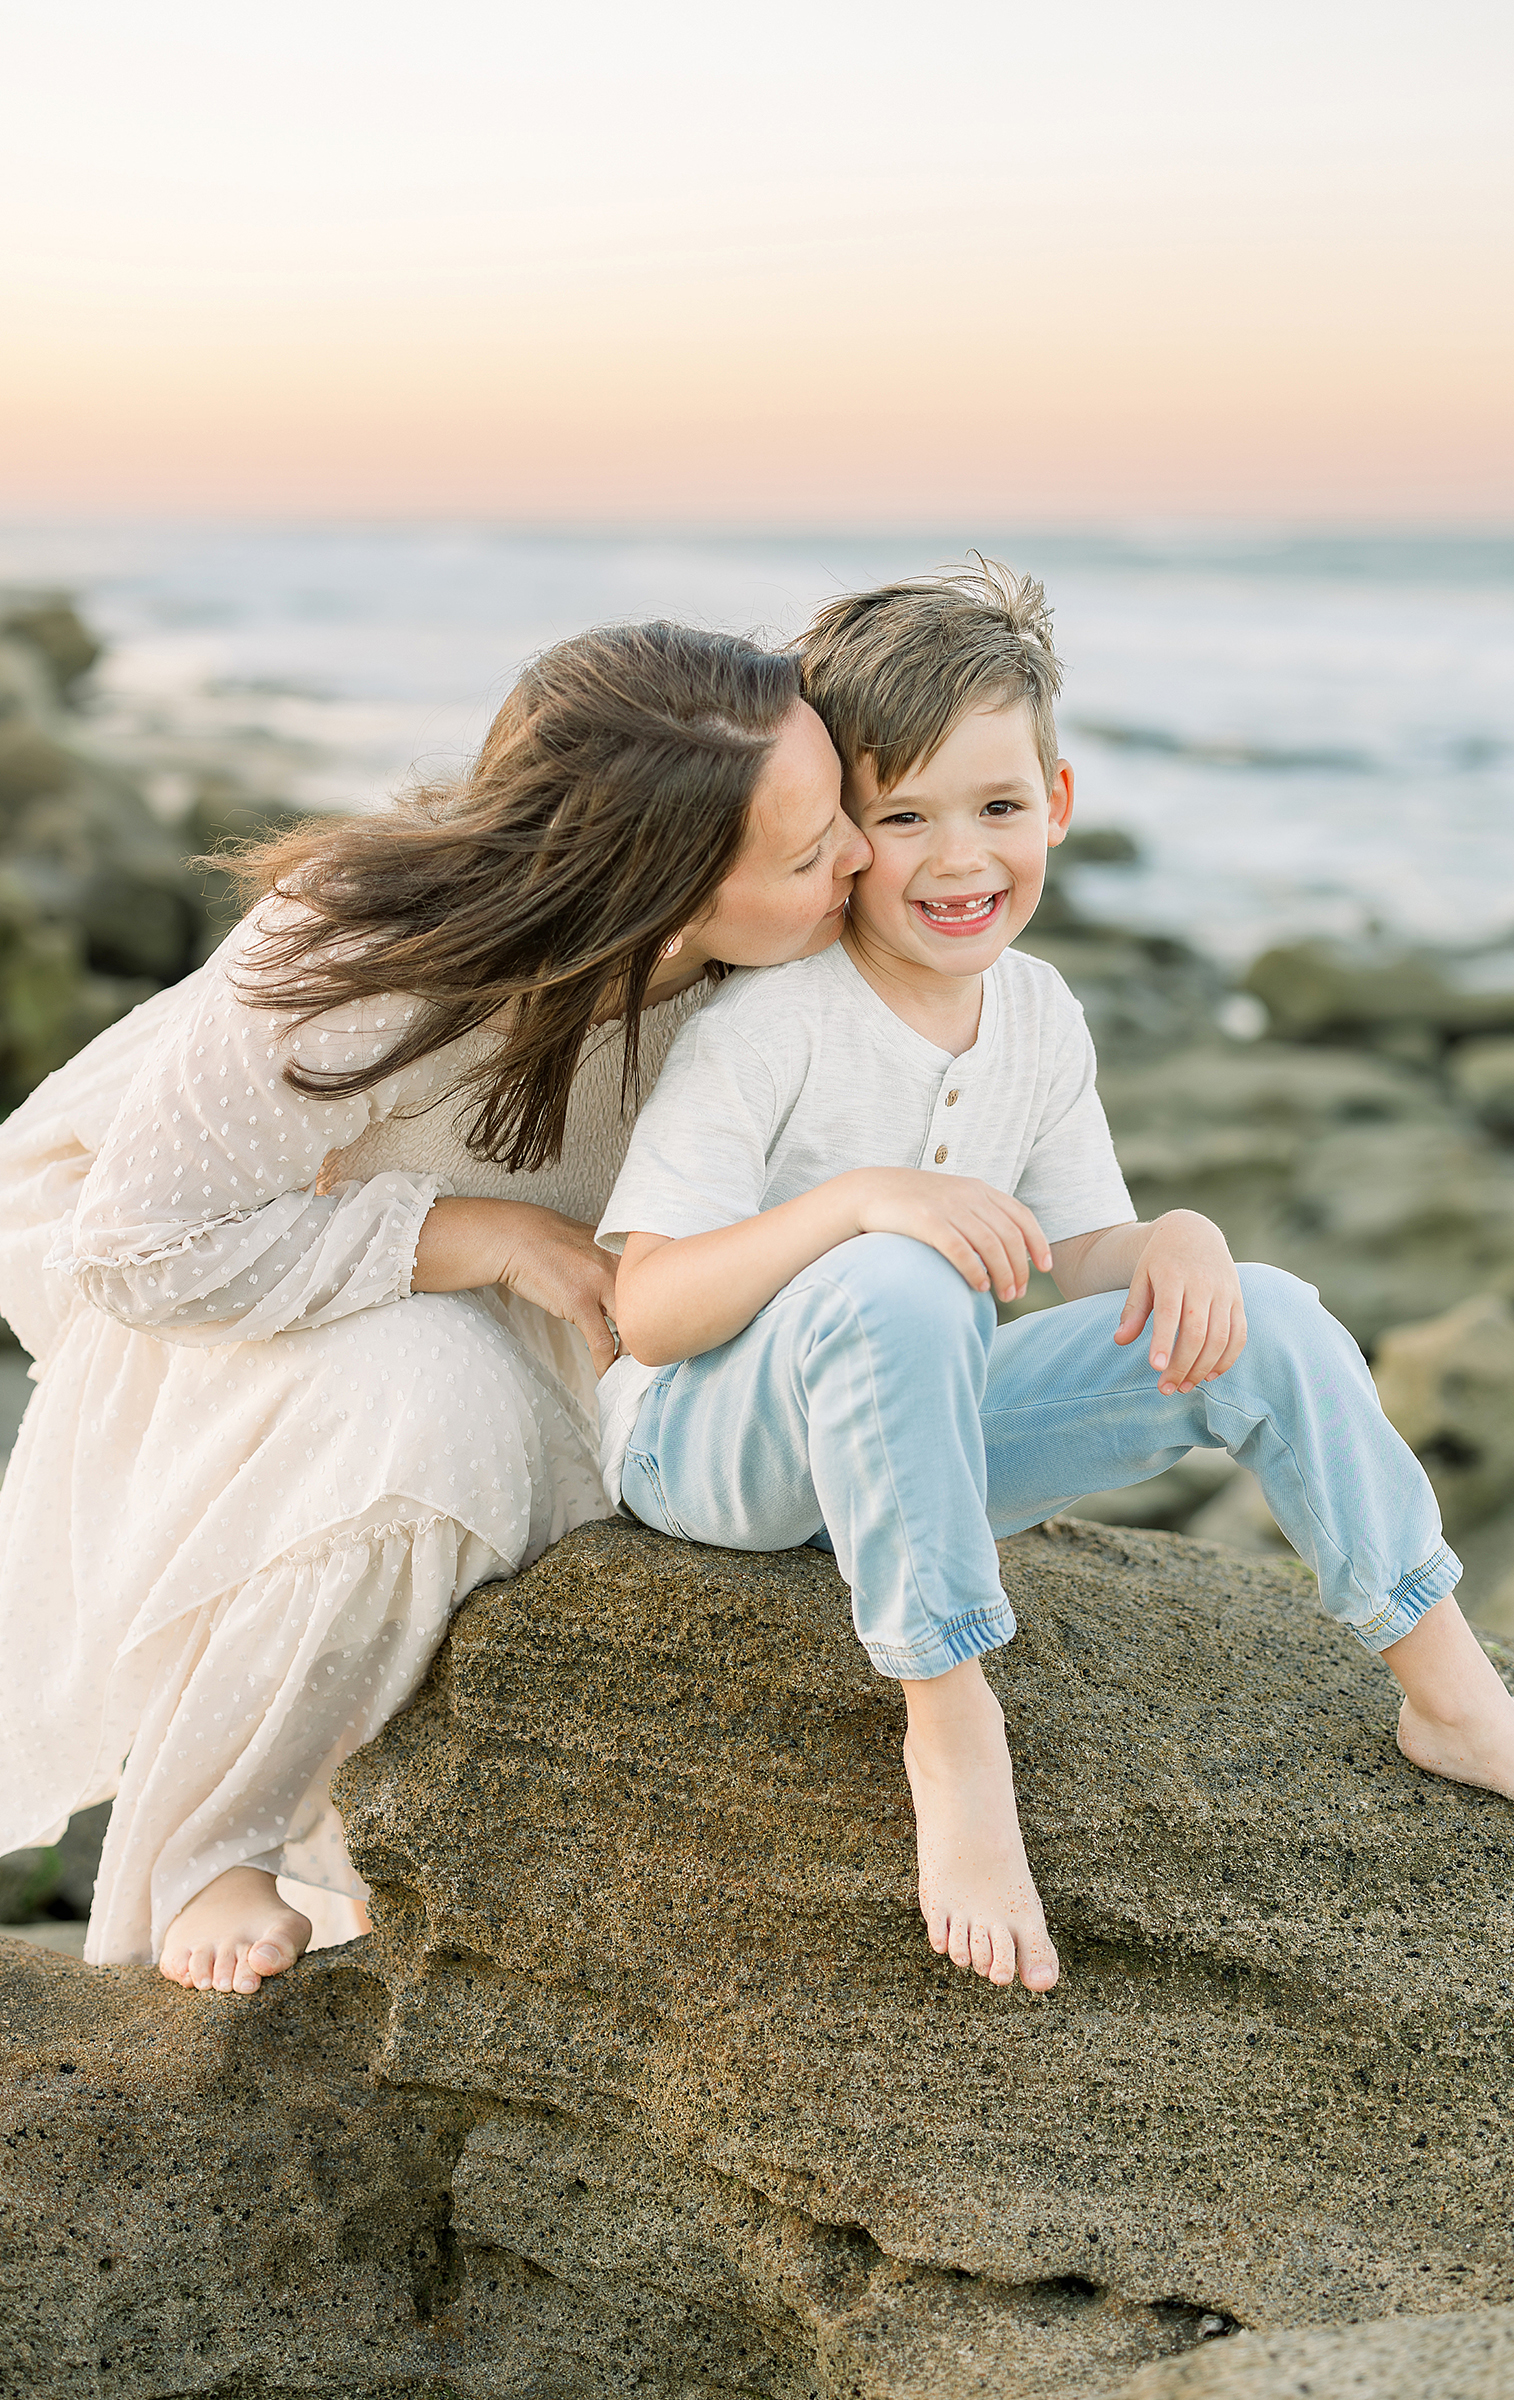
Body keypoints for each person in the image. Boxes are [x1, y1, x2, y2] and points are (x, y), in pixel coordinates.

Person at [596, 563, 1514, 1996]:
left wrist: (1171, 1240)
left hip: (923, 1441)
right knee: (898, 1275)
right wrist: (860, 1204)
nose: (957, 859)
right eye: (902, 817)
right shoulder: (770, 1026)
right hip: (708, 1452)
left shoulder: (1036, 1012)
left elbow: (1066, 1256)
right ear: (838, 834)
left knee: (1268, 1314)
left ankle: (1457, 1705)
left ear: (1057, 796)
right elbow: (648, 1311)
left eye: (994, 808)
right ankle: (949, 1717)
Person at [0, 622, 870, 1994]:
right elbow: (143, 1255)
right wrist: (472, 1234)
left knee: (596, 1468)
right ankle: (212, 1852)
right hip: (231, 1275)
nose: (860, 862)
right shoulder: (362, 946)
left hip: (527, 1295)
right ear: (658, 891)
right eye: (812, 847)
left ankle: (378, 1873)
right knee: (427, 1410)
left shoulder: (783, 983)